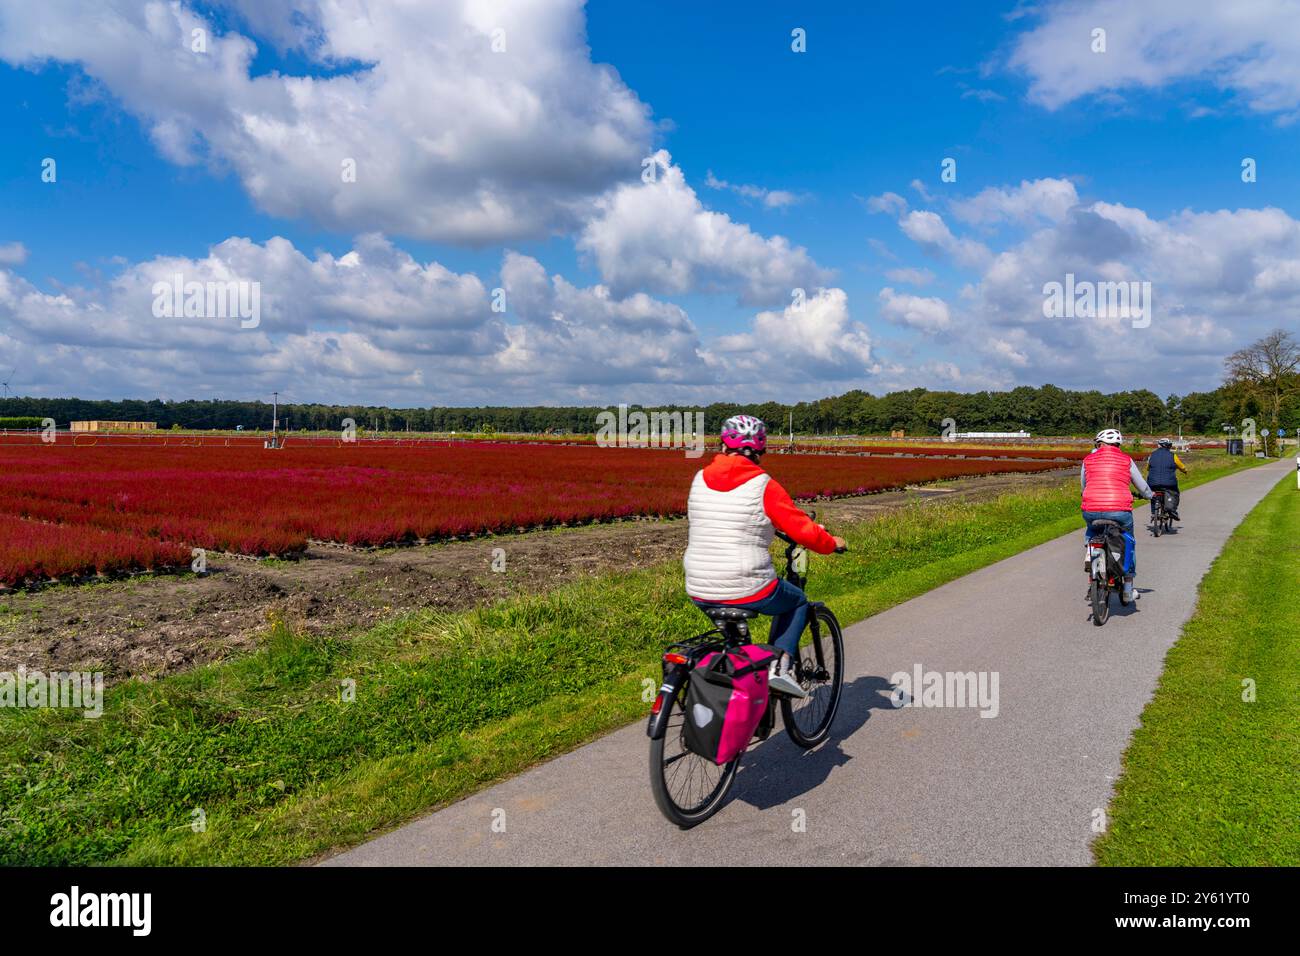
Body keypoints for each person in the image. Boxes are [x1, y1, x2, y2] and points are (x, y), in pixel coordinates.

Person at [683, 414, 846, 698]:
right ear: (761, 450)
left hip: (698, 585)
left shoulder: (698, 479)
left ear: (722, 445)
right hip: (746, 585)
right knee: (796, 602)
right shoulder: (763, 485)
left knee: (737, 645)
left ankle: (741, 690)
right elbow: (803, 530)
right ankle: (779, 667)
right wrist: (832, 543)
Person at [1081, 428, 1153, 603]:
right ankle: (1128, 588)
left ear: (1099, 444)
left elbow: (1084, 484)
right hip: (1120, 511)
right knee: (1129, 541)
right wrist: (1150, 496)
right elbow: (1142, 486)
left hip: (1090, 508)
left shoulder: (1088, 459)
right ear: (1118, 444)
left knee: (1092, 530)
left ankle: (1090, 554)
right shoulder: (1126, 460)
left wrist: (1089, 496)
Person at [1145, 438, 1188, 520]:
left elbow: (1148, 468)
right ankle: (1172, 510)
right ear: (1169, 447)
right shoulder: (1173, 456)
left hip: (1152, 482)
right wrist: (1185, 471)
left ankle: (1154, 513)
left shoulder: (1152, 455)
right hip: (1169, 483)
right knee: (1175, 492)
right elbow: (1181, 466)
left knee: (1153, 495)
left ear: (1159, 446)